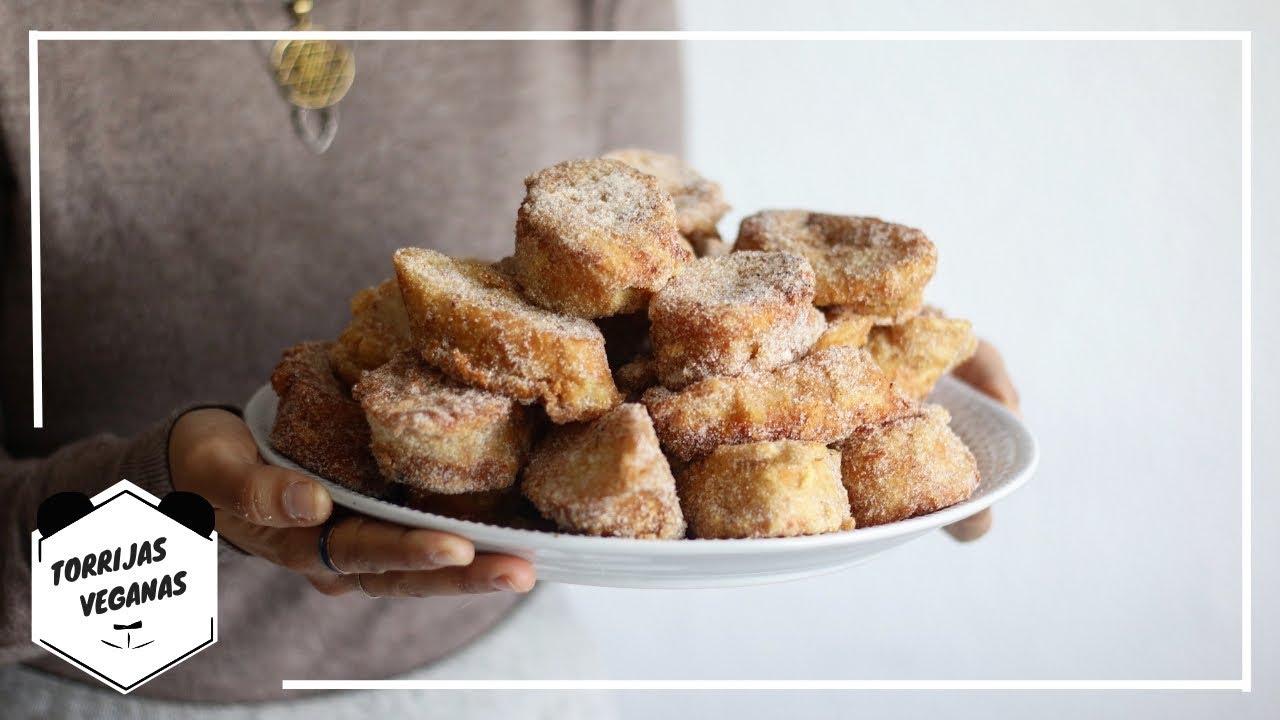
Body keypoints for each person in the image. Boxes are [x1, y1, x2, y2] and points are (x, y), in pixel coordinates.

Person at [0, 1, 1019, 717]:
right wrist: (167, 517)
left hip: (508, 671)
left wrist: (863, 369)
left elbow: (664, 310)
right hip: (93, 694)